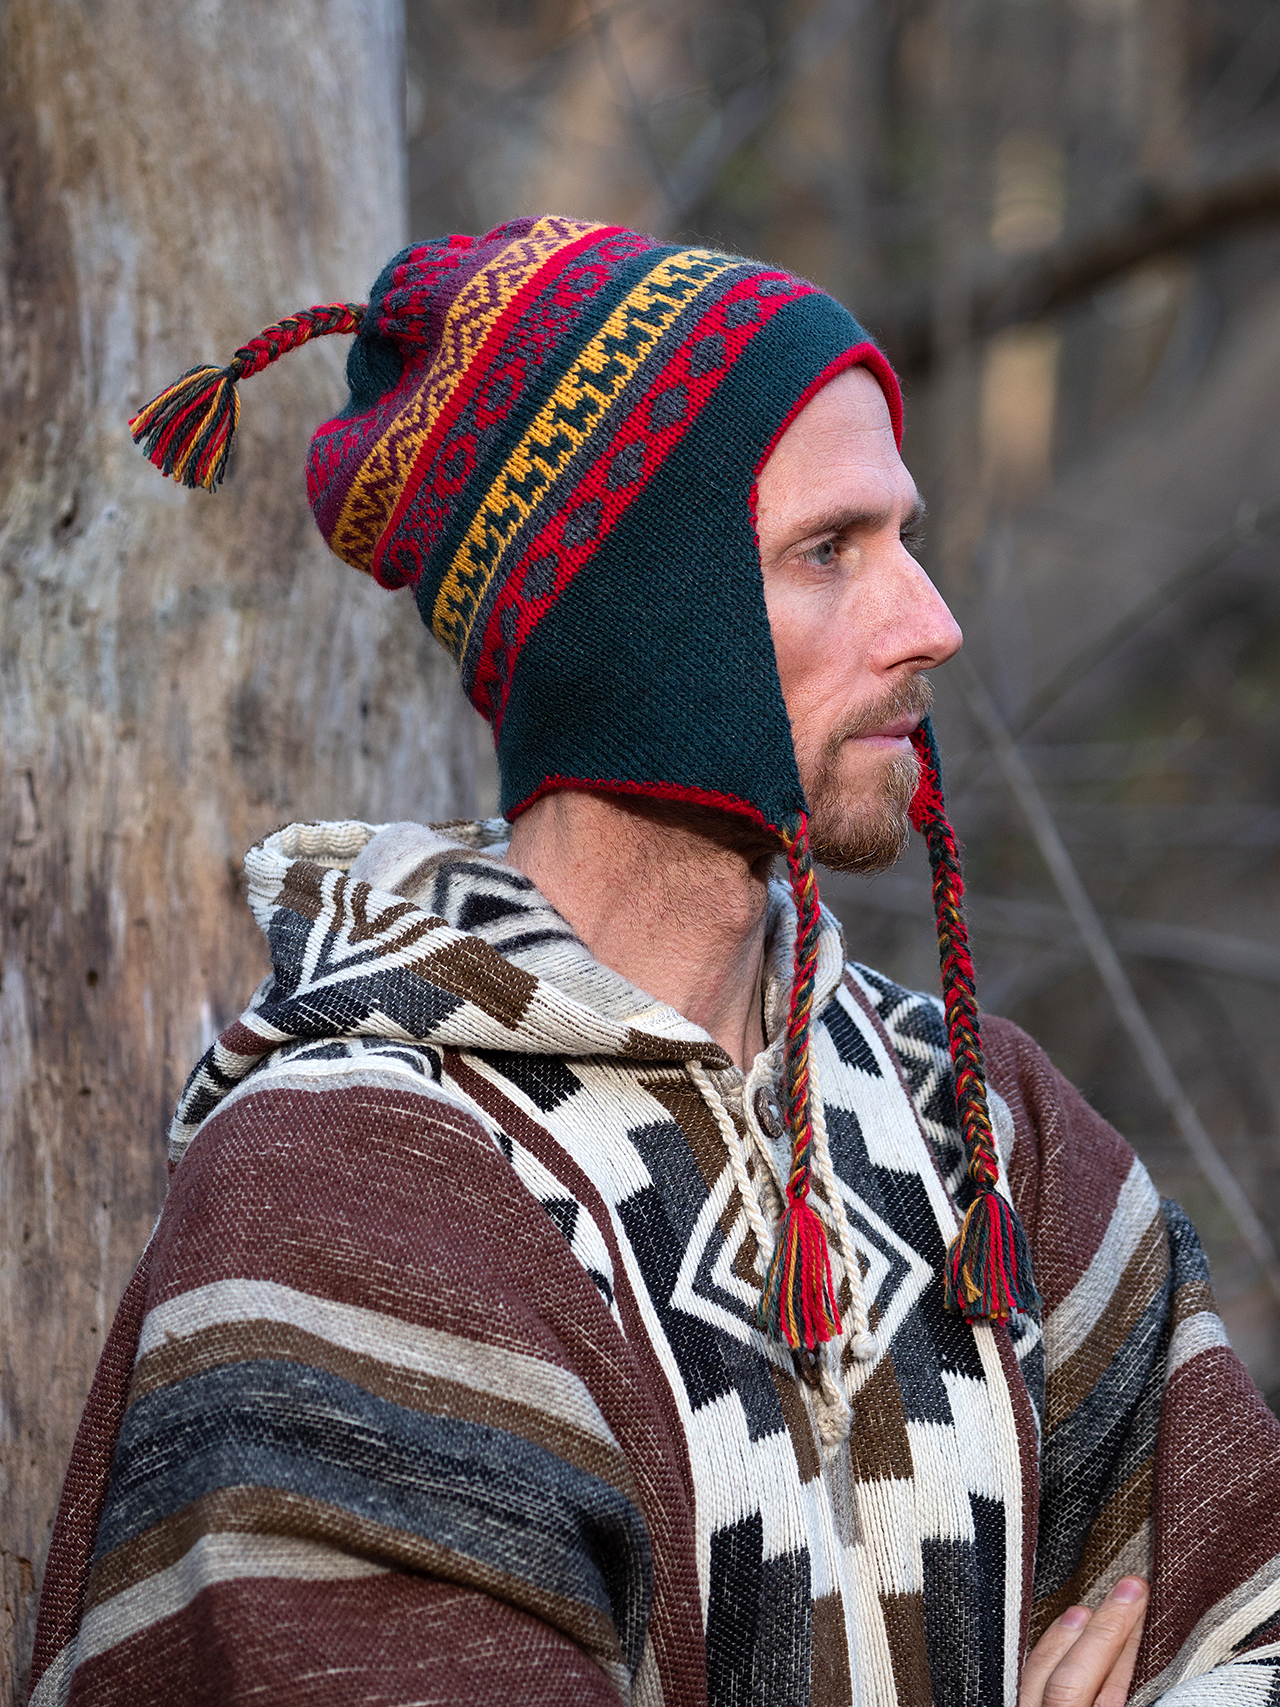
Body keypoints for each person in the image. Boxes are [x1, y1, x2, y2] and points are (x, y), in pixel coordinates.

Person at [29, 218, 1280, 1707]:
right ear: (640, 633)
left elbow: (1250, 1615)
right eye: (829, 552)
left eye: (907, 538)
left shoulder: (985, 1131)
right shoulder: (349, 1191)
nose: (931, 623)